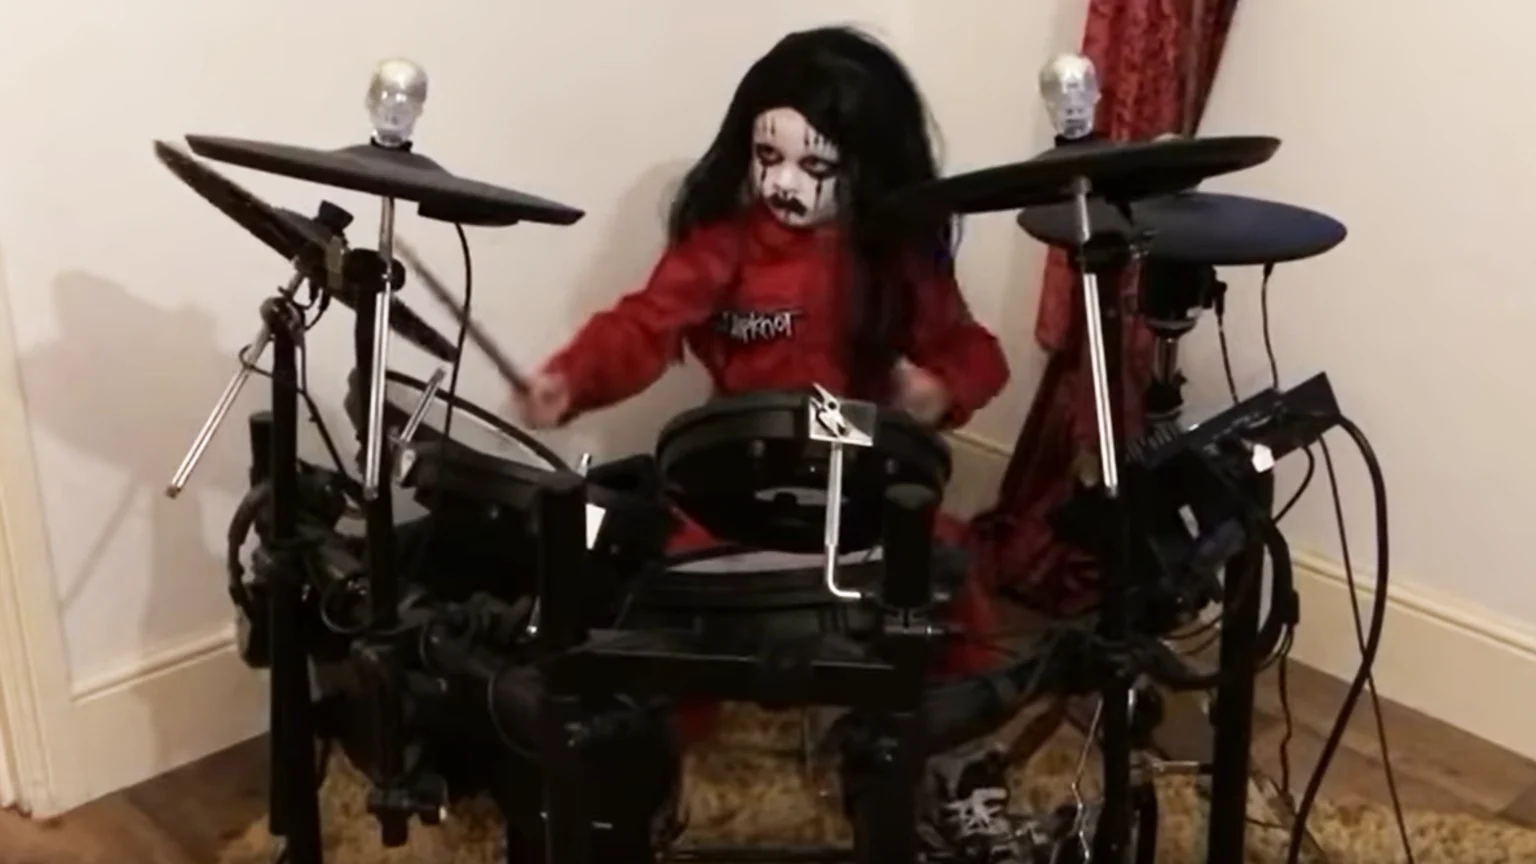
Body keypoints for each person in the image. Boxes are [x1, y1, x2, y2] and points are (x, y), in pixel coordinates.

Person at [516, 26, 1021, 863]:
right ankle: (646, 779)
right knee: (661, 602)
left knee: (947, 582)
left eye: (815, 166)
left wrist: (939, 390)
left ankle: (952, 772)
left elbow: (977, 352)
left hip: (860, 491)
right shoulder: (724, 245)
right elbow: (643, 326)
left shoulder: (894, 258)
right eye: (767, 156)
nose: (784, 182)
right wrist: (570, 380)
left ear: (868, 166)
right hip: (732, 494)